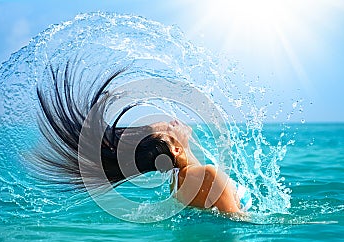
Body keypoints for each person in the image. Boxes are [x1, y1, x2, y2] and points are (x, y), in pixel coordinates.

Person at [35, 63, 252, 214]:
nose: (173, 121)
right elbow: (237, 223)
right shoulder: (207, 174)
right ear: (175, 150)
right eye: (169, 128)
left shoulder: (176, 182)